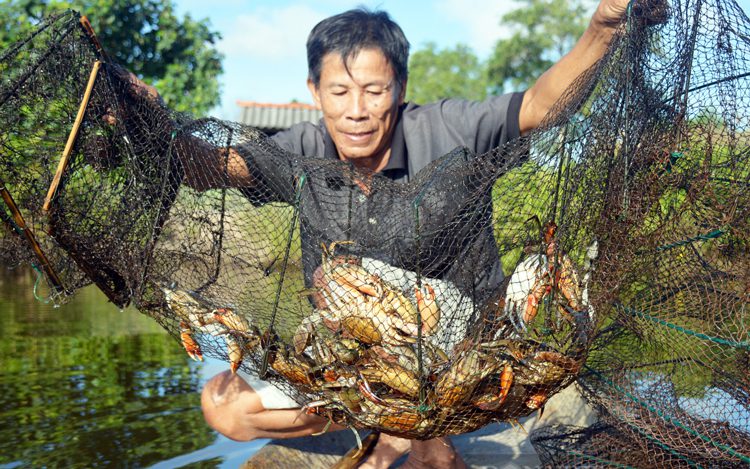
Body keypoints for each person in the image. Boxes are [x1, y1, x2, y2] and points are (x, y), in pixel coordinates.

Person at [124, 1, 632, 467]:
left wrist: (603, 26)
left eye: (374, 90)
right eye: (339, 92)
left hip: (455, 364)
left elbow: (543, 105)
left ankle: (426, 434)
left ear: (401, 88)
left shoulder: (451, 130)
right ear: (314, 92)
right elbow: (209, 166)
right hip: (355, 365)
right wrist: (147, 125)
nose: (356, 111)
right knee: (223, 408)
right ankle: (375, 422)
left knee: (432, 452)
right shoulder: (299, 150)